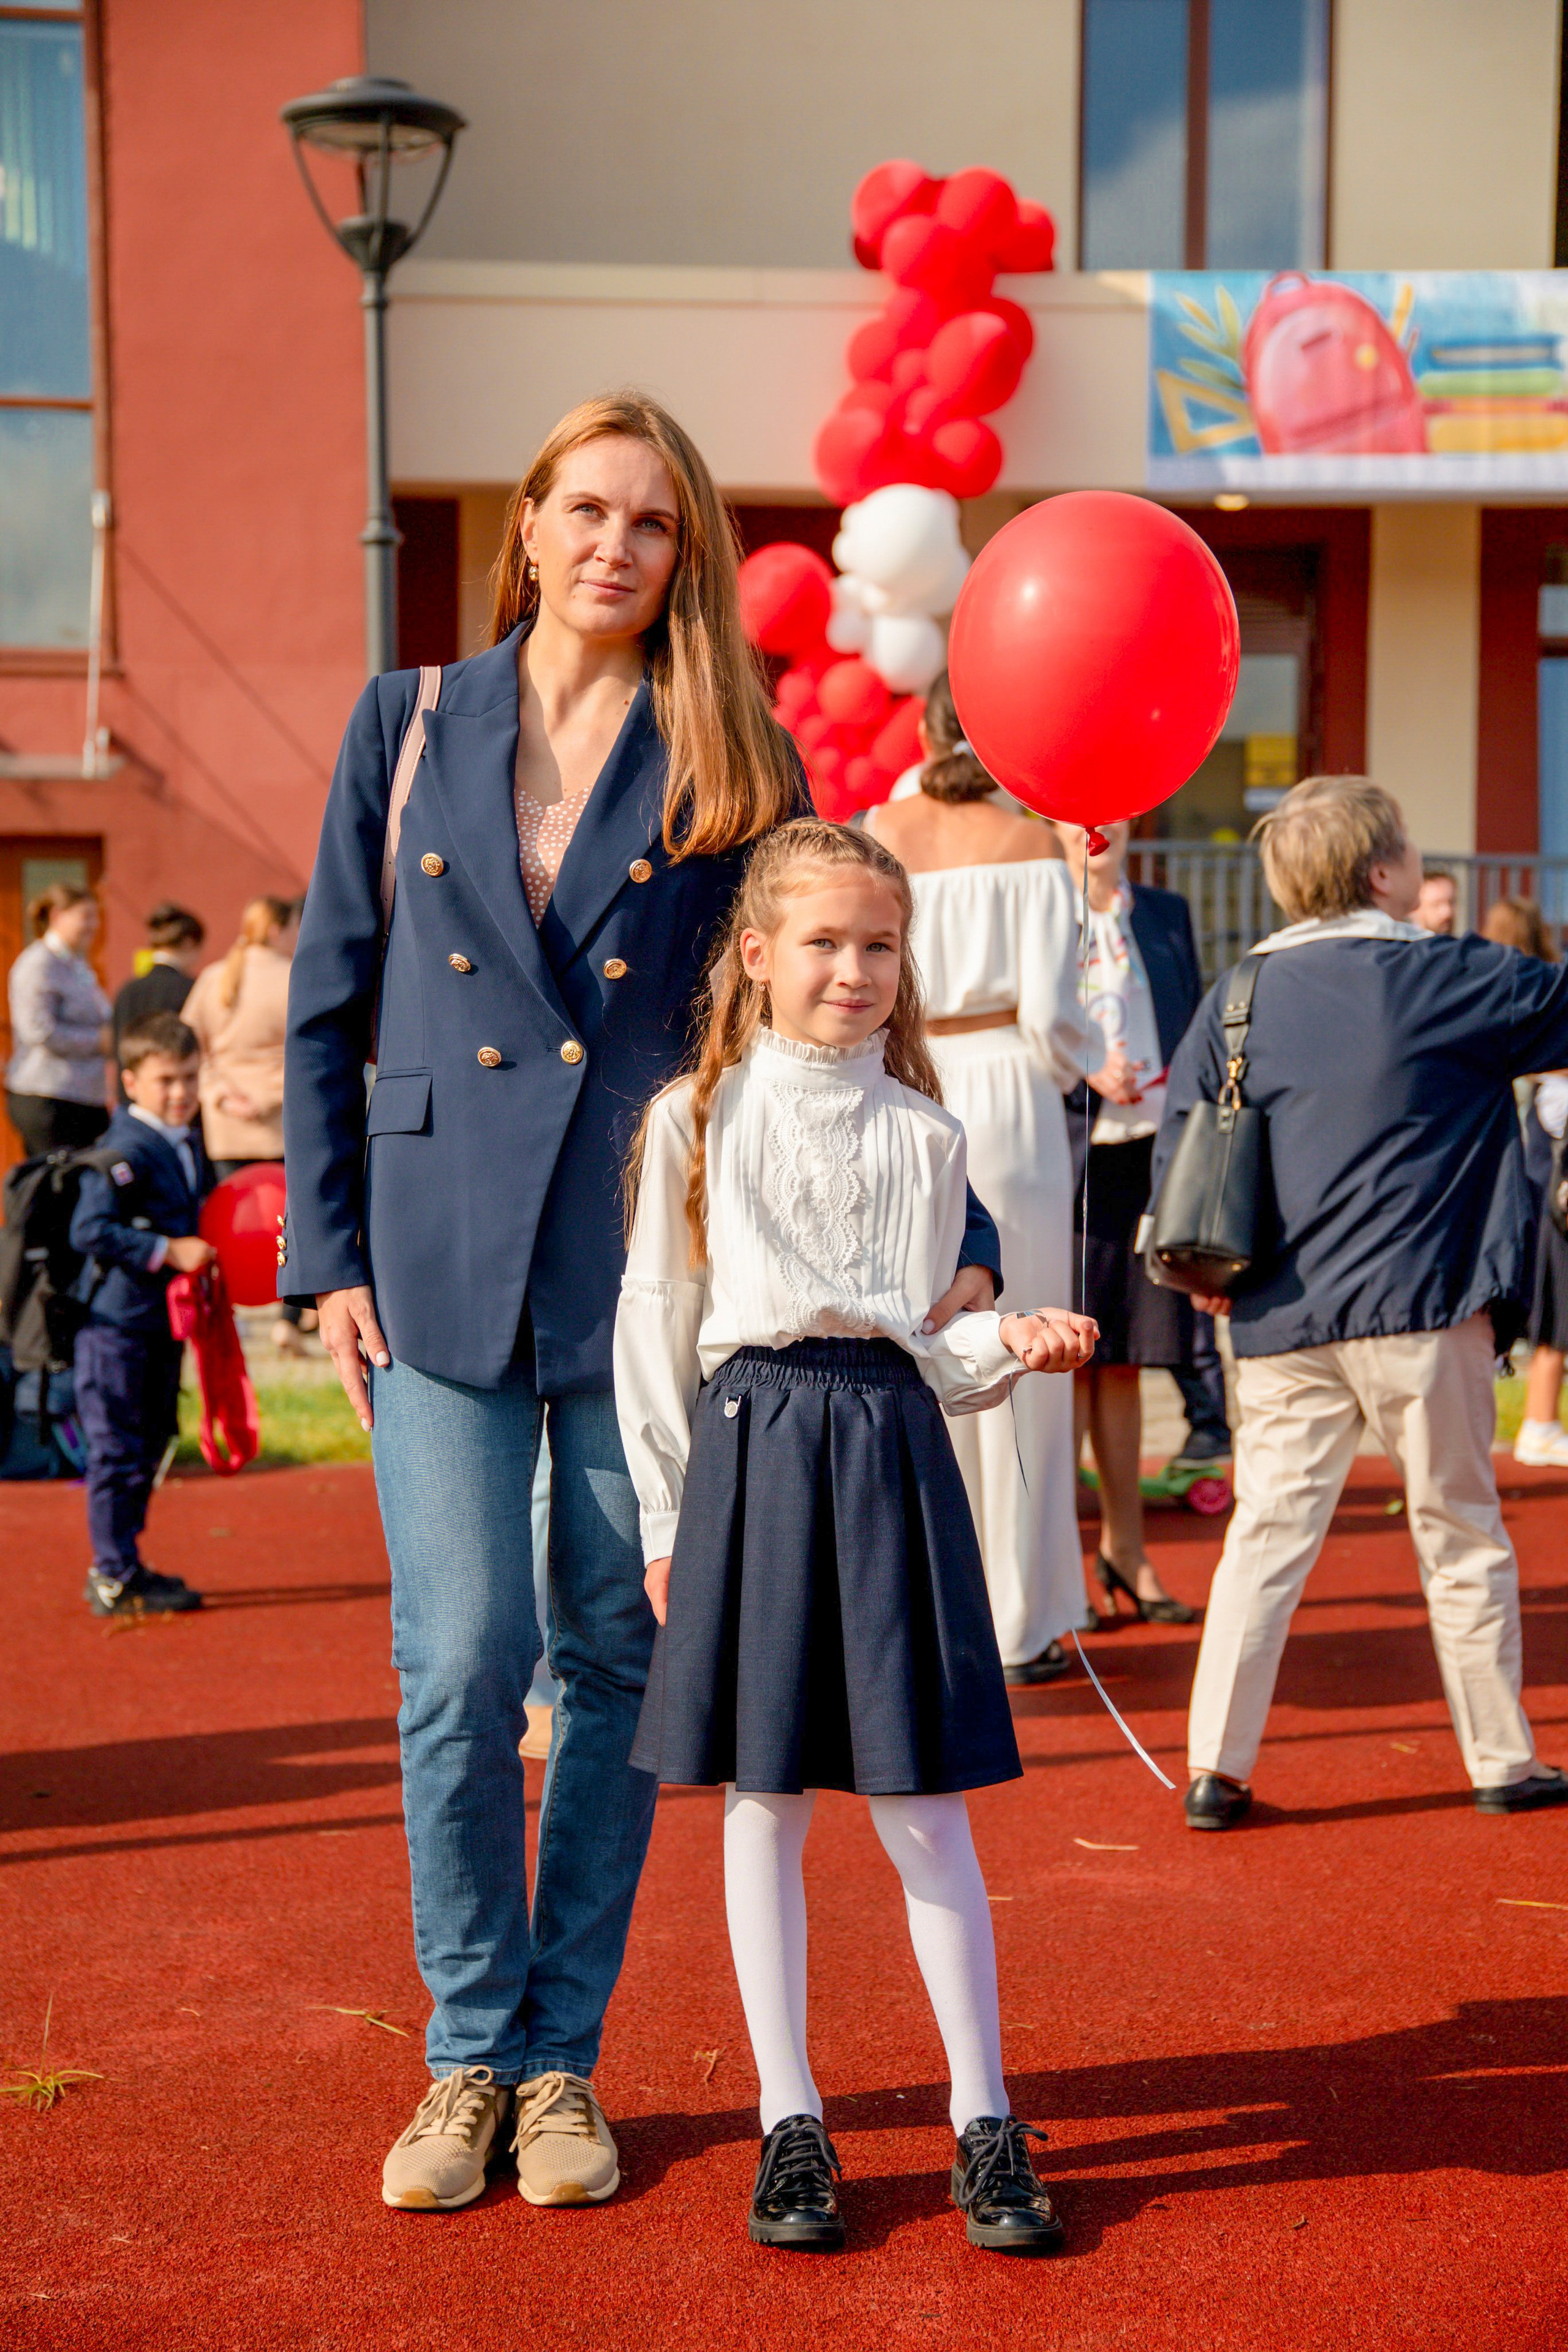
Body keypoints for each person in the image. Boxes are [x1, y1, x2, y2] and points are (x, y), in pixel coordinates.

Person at [282, 391, 1003, 2215]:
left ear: (681, 554)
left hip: (644, 1273)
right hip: (437, 1254)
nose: (616, 542)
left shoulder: (725, 749)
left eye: (654, 521)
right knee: (457, 1665)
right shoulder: (410, 716)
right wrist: (329, 1248)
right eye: (585, 508)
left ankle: (557, 2066)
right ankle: (465, 2047)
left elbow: (822, 981)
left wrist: (965, 1212)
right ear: (527, 523)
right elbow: (329, 997)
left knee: (606, 1667)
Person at [618, 818, 1096, 2255]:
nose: (852, 968)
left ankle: (981, 2114)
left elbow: (925, 1343)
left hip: (889, 1455)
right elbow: (657, 1325)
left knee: (920, 1804)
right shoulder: (689, 1119)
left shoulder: (929, 1133)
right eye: (822, 942)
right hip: (749, 1455)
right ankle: (787, 2117)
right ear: (756, 955)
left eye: (877, 944)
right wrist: (660, 1512)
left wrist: (1008, 1344)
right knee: (760, 1802)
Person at [1159, 775, 1568, 1828]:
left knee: (1267, 1538)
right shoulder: (1449, 975)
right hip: (1424, 1304)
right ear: (1383, 873)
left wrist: (1216, 1278)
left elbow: (1186, 1155)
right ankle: (1499, 1760)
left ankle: (1216, 1768)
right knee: (1461, 1528)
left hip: (1279, 1319)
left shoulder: (1236, 995)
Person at [869, 676, 1091, 1683]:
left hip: (907, 1087)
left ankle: (921, 1600)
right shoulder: (1034, 842)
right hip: (1007, 1089)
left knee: (918, 1344)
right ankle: (1024, 1613)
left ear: (921, 729)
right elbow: (1054, 1016)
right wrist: (1079, 1066)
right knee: (1028, 1349)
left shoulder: (874, 830)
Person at [1050, 821, 1204, 1626]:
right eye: (1075, 811)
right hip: (1071, 1156)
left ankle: (1128, 1553)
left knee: (1127, 1362)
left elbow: (1197, 1023)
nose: (1094, 826)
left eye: (1112, 809)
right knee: (1072, 1359)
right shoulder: (1043, 911)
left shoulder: (1166, 913)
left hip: (1149, 1160)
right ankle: (1064, 1572)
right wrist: (1084, 1063)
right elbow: (1022, 1023)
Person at [69, 1012, 213, 1618]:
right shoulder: (123, 1148)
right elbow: (90, 1230)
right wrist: (164, 1251)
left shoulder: (184, 1138)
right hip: (114, 1326)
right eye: (165, 1081)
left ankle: (124, 1561)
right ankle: (112, 1573)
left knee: (152, 1440)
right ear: (131, 1083)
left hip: (156, 1325)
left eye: (189, 1077)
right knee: (116, 1450)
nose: (180, 1092)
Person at [184, 895, 305, 1355]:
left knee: (229, 1219)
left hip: (226, 1122)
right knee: (292, 1219)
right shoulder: (294, 974)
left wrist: (219, 1093)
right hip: (281, 1116)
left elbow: (190, 1048)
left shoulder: (214, 977)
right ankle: (289, 1316)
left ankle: (226, 1310)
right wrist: (268, 1096)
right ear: (277, 930)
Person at [1479, 901, 1568, 1469]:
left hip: (1520, 1161)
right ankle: (1538, 1421)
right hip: (1544, 1163)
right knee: (1555, 1300)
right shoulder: (1539, 995)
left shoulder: (1481, 983)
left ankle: (1531, 1420)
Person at [6, 883, 111, 1156]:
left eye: (96, 916)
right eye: (86, 916)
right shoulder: (38, 964)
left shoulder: (76, 964)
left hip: (84, 1097)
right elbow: (38, 1032)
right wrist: (98, 1041)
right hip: (50, 1096)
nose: (94, 925)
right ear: (57, 916)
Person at [111, 903, 206, 1099]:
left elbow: (115, 1046)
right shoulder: (193, 988)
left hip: (132, 1098)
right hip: (176, 1100)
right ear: (189, 943)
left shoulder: (128, 990)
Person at [1412, 865, 1457, 937]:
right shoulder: (1403, 946)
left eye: (1451, 903)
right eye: (1436, 905)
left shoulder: (1464, 946)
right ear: (1415, 908)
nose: (1447, 912)